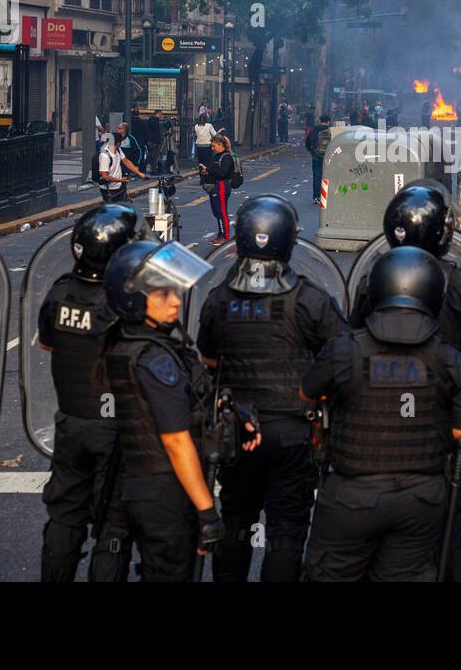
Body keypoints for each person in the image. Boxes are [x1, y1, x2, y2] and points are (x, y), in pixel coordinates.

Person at [300, 247, 461, 581]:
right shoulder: (452, 361)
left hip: (351, 495)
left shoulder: (345, 350)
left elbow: (306, 392)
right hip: (421, 501)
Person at [348, 182, 461, 581]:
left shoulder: (374, 277)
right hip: (447, 415)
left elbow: (351, 339)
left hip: (379, 418)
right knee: (454, 524)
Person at [197, 196, 347, 581]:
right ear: (288, 242)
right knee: (286, 531)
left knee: (235, 523)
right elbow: (343, 356)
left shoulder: (219, 299)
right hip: (294, 432)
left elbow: (209, 363)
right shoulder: (309, 299)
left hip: (236, 432)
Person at [102, 239, 259, 581]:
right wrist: (206, 512)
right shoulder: (153, 359)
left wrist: (233, 413)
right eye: (162, 295)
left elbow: (195, 398)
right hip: (164, 492)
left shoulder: (143, 342)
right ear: (134, 299)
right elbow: (175, 441)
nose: (175, 301)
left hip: (155, 488)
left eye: (175, 291)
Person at [37, 204, 145, 581]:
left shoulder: (59, 292)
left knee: (64, 514)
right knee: (113, 524)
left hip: (70, 421)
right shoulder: (126, 300)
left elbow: (49, 345)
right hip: (115, 427)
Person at [199, 132, 234, 246]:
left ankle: (225, 236)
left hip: (223, 185)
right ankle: (220, 234)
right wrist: (205, 171)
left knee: (222, 212)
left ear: (220, 144)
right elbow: (212, 171)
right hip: (215, 186)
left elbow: (223, 173)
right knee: (216, 212)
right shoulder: (215, 156)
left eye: (214, 146)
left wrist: (209, 169)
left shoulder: (226, 157)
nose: (212, 148)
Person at [97, 133, 146, 203]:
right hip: (109, 190)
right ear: (118, 143)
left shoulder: (118, 150)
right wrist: (119, 180)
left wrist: (139, 173)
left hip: (119, 186)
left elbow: (126, 161)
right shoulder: (105, 156)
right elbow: (105, 176)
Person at [305, 114, 332, 205]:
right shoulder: (331, 130)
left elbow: (308, 141)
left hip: (316, 155)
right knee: (328, 176)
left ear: (320, 120)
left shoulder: (314, 129)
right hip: (329, 156)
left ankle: (316, 197)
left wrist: (312, 151)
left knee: (317, 176)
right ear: (328, 121)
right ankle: (328, 196)